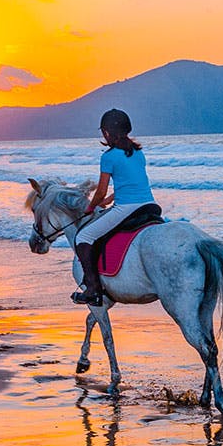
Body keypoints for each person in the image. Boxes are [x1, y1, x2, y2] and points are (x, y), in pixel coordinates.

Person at [71, 108, 157, 305]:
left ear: (107, 133)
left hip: (126, 209)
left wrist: (90, 208)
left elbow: (99, 191)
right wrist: (109, 200)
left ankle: (92, 290)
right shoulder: (138, 153)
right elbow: (130, 183)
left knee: (84, 237)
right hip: (150, 205)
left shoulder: (108, 156)